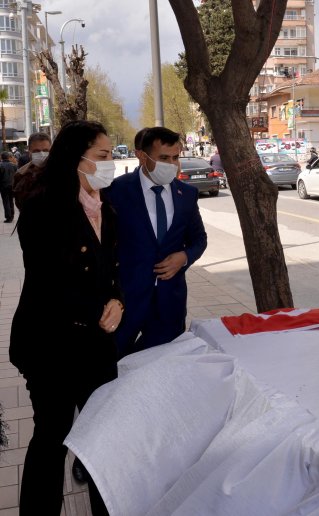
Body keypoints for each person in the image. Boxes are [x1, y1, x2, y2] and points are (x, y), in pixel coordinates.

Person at [10, 120, 122, 514]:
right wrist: (99, 307)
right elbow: (49, 279)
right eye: (103, 156)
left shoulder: (103, 206)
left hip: (95, 345)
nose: (111, 163)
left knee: (100, 440)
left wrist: (117, 301)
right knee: (53, 436)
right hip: (50, 344)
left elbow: (110, 270)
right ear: (77, 159)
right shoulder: (45, 206)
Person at [107, 126, 207, 358]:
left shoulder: (187, 194)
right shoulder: (116, 191)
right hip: (126, 300)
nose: (171, 164)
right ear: (142, 156)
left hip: (169, 302)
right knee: (114, 367)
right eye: (164, 158)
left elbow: (199, 239)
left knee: (163, 368)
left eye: (175, 157)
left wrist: (184, 257)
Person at [12, 132, 52, 210]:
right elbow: (19, 203)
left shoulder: (61, 172)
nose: (42, 154)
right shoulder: (21, 174)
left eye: (45, 150)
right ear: (29, 151)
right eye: (36, 151)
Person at [0, 152, 16, 222]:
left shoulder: (1, 165)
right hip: (12, 185)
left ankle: (8, 217)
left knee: (6, 201)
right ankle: (12, 215)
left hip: (4, 186)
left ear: (1, 157)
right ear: (8, 157)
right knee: (11, 201)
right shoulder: (14, 165)